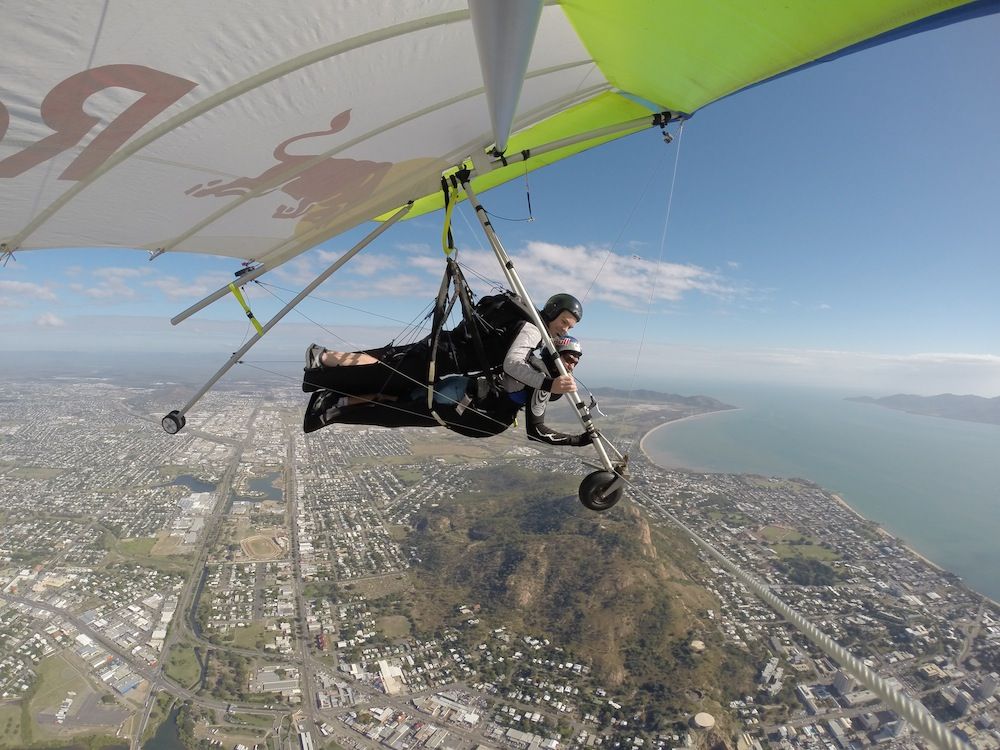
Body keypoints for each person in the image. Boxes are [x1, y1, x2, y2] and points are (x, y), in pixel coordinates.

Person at [304, 335, 592, 448]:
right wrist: (577, 440)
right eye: (568, 359)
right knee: (396, 411)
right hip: (457, 400)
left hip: (459, 390)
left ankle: (335, 392)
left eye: (576, 363)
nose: (572, 366)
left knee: (400, 399)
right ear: (556, 356)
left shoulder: (532, 362)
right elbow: (537, 432)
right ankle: (332, 402)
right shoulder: (542, 380)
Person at [301, 292, 584, 404]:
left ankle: (324, 361)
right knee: (386, 370)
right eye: (564, 322)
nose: (565, 329)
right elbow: (513, 364)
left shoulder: (529, 325)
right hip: (445, 355)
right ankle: (322, 357)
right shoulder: (532, 328)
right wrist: (549, 384)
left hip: (447, 351)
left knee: (388, 362)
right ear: (552, 312)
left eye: (570, 327)